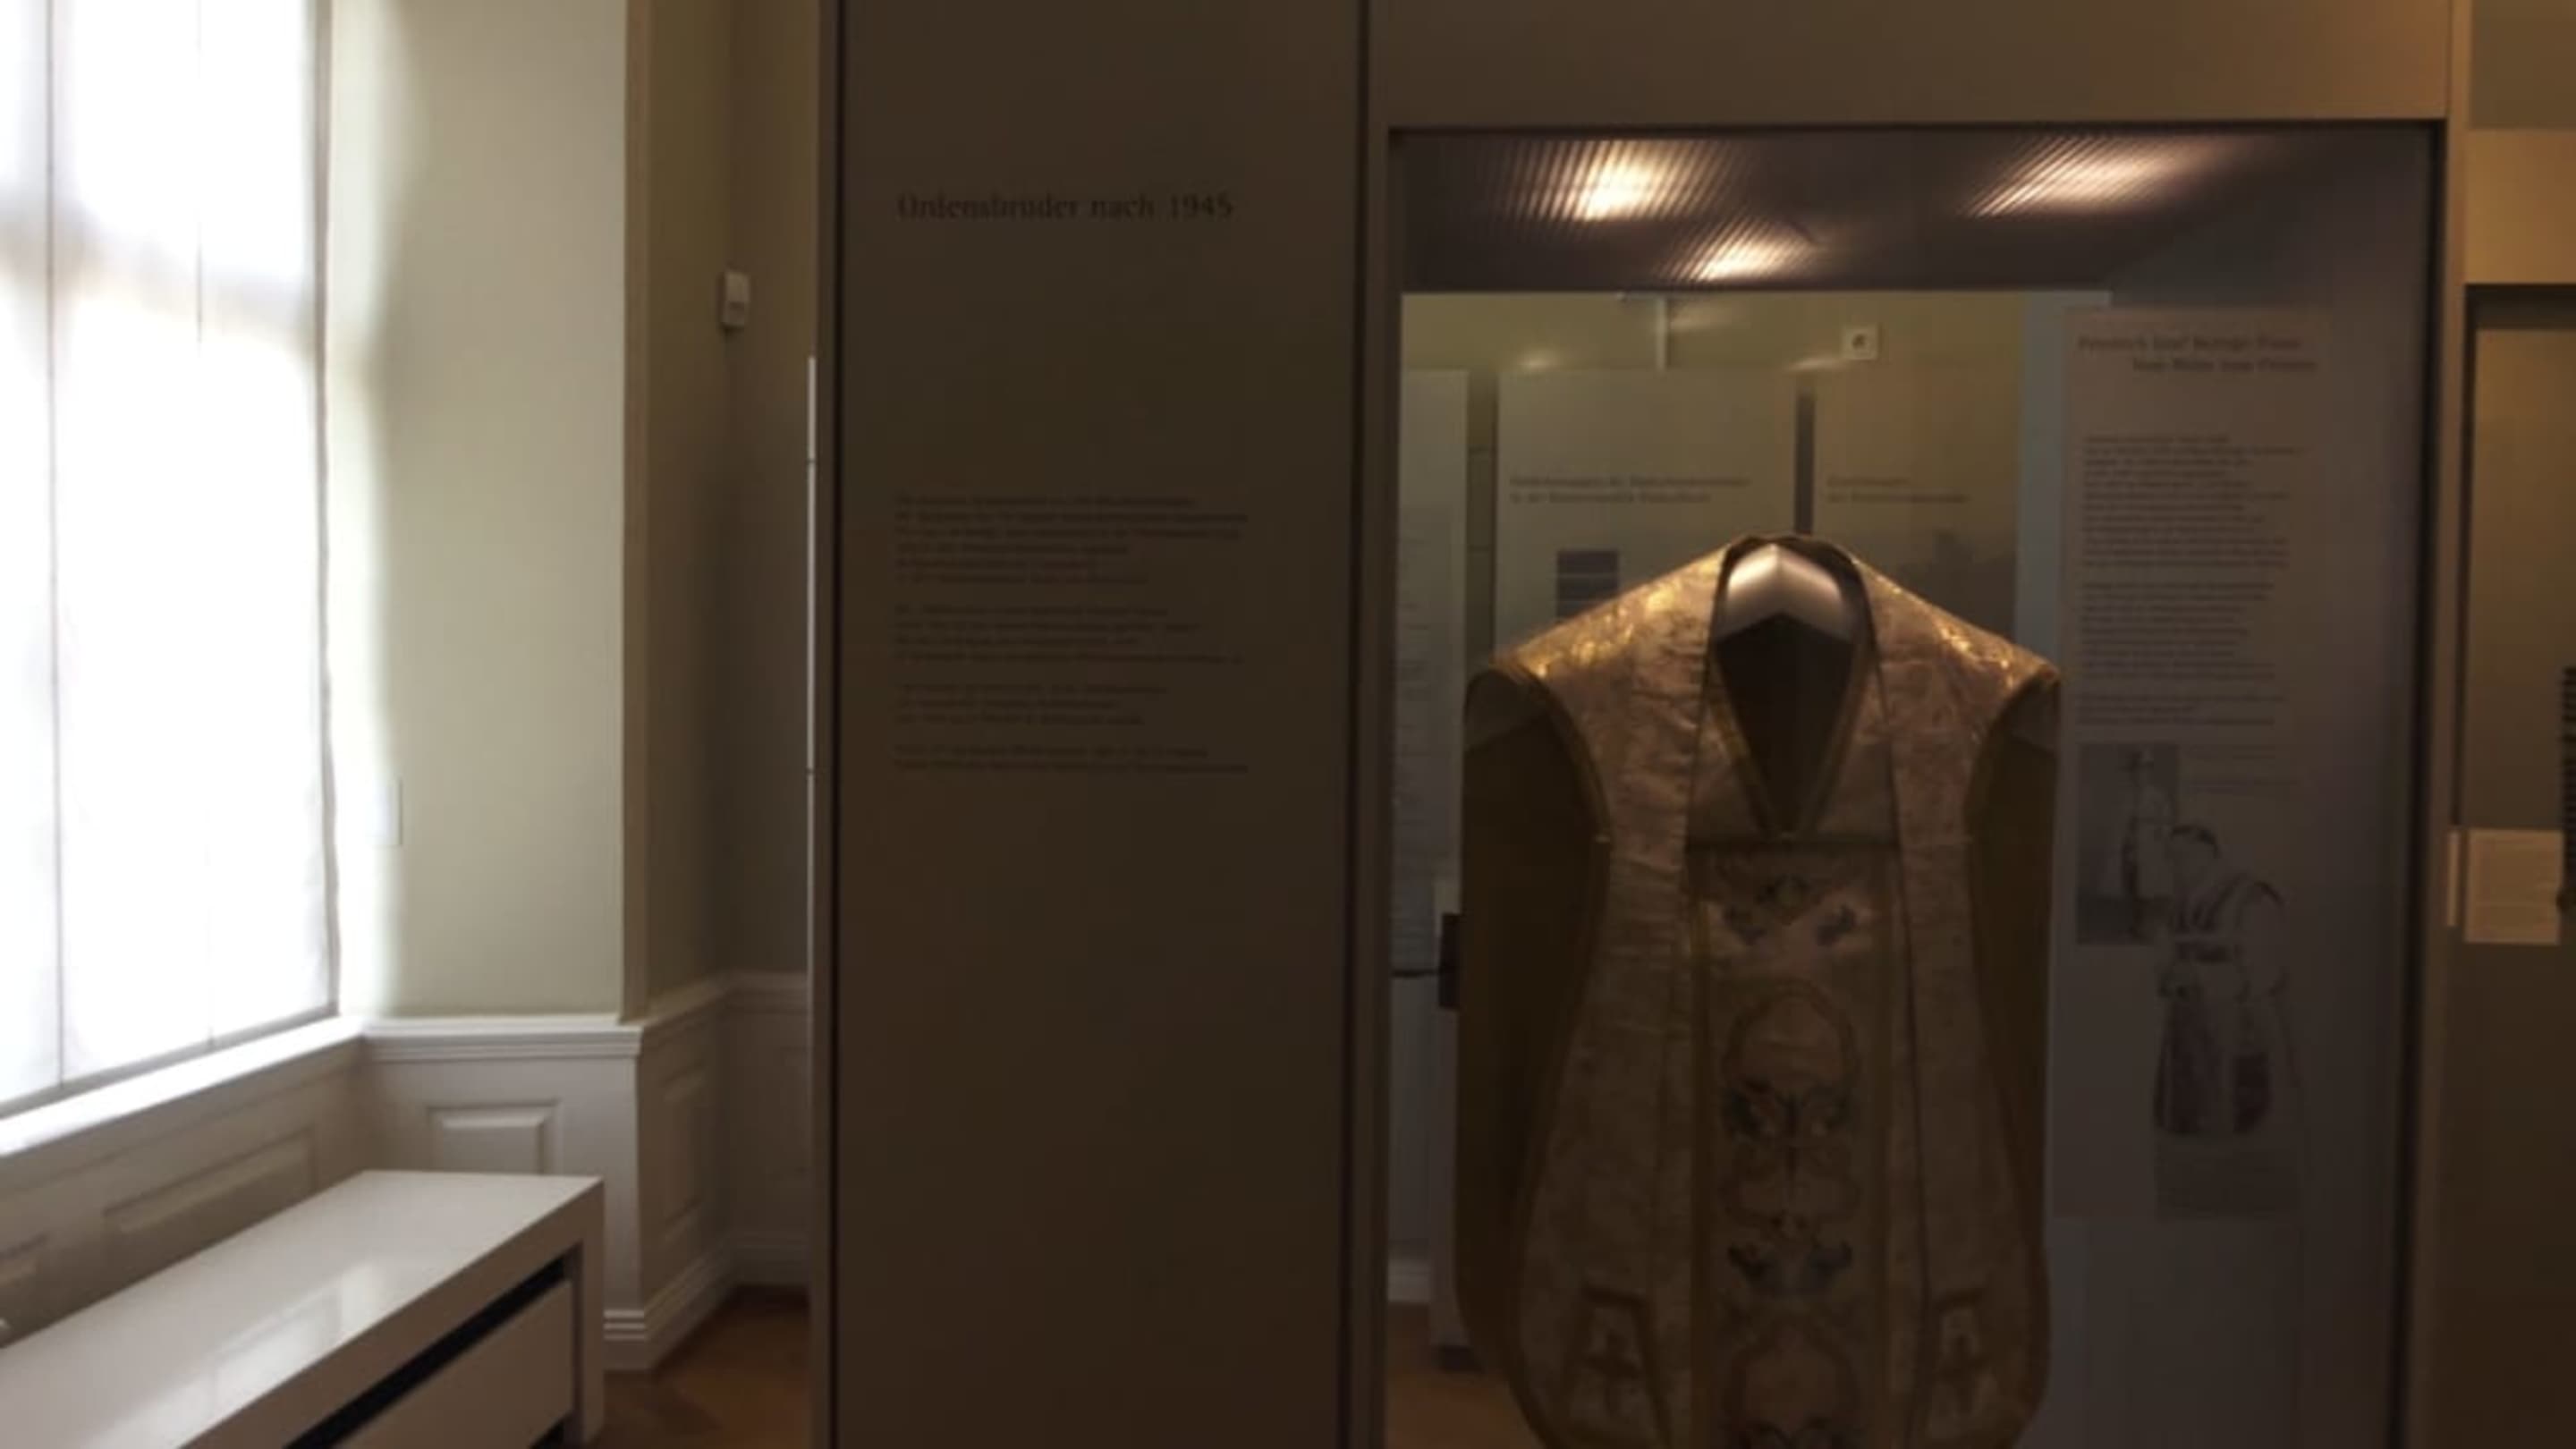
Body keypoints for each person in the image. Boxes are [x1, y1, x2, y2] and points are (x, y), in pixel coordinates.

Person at [2153, 825, 2288, 1138]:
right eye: (2171, 858)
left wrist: (2200, 976)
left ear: (2209, 853)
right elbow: (2166, 962)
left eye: (2182, 856)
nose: (2175, 866)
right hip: (2187, 1040)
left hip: (2238, 1032)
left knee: (2236, 1128)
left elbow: (2266, 973)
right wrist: (2166, 973)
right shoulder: (2178, 904)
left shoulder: (2252, 898)